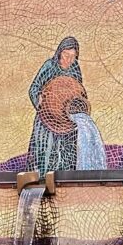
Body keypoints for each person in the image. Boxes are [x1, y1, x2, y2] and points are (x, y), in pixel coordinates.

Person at [27, 37, 87, 173]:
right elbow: (34, 88)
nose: (69, 60)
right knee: (45, 151)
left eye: (73, 56)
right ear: (60, 52)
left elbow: (77, 90)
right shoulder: (49, 66)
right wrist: (40, 100)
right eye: (66, 55)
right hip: (47, 119)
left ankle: (66, 180)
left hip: (66, 120)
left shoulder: (75, 68)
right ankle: (42, 178)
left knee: (68, 153)